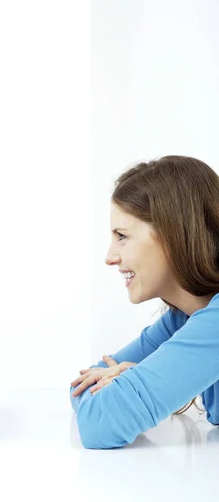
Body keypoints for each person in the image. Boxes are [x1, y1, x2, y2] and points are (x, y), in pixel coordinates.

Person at [70, 155, 219, 449]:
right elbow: (81, 387)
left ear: (173, 236)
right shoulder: (185, 318)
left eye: (122, 237)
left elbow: (101, 423)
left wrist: (133, 379)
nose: (110, 257)